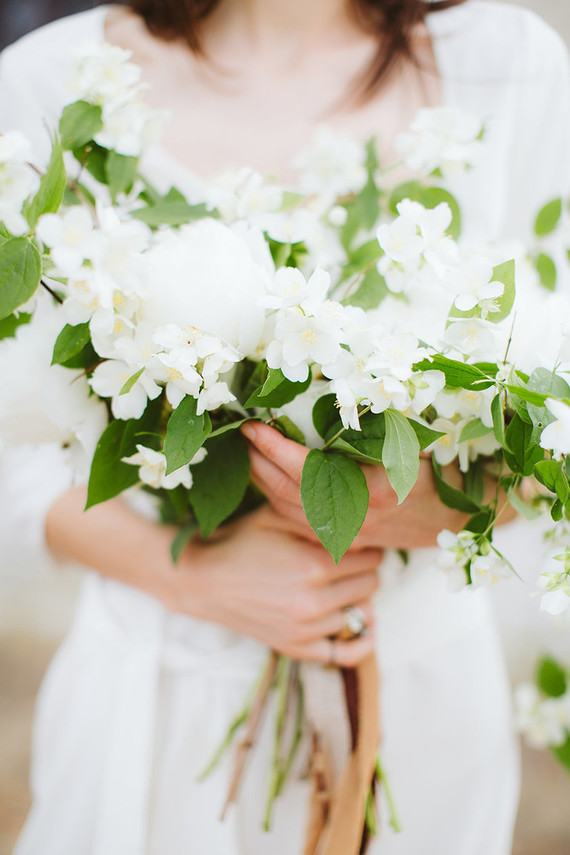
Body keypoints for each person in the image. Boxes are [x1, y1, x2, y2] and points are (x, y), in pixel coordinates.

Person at [0, 1, 568, 853]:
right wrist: (188, 573)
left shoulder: (512, 66)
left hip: (417, 698)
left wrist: (448, 504)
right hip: (154, 698)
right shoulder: (52, 84)